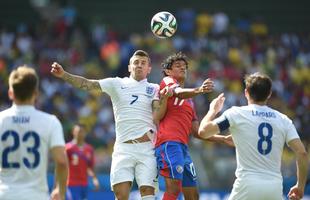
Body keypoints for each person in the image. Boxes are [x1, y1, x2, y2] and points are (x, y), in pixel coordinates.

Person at [51, 50, 159, 200]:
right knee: (120, 195)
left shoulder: (155, 88)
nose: (139, 65)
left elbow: (160, 113)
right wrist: (64, 75)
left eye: (143, 63)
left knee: (148, 194)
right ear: (129, 67)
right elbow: (87, 84)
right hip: (123, 148)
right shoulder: (116, 83)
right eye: (136, 62)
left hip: (147, 147)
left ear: (149, 69)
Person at [198, 72, 308, 200]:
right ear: (269, 94)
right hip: (274, 187)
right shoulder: (284, 120)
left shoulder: (236, 114)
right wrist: (300, 187)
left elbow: (203, 132)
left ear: (246, 92)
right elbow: (302, 153)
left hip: (247, 184)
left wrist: (213, 110)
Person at [153, 52, 233, 200]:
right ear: (168, 71)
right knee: (174, 188)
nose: (183, 68)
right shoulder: (167, 81)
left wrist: (223, 139)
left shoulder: (190, 102)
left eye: (184, 66)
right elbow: (176, 92)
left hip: (183, 149)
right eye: (178, 66)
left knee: (193, 195)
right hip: (168, 143)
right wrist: (199, 90)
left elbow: (197, 133)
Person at [0, 65, 68, 200]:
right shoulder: (50, 122)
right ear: (36, 93)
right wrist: (59, 190)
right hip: (36, 195)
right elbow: (61, 161)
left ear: (10, 93)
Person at [66, 123, 99, 200]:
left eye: (82, 131)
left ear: (85, 133)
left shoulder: (89, 149)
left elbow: (90, 167)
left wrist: (95, 179)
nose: (80, 134)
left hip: (84, 184)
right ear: (73, 132)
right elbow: (61, 167)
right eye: (78, 131)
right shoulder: (68, 148)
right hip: (71, 183)